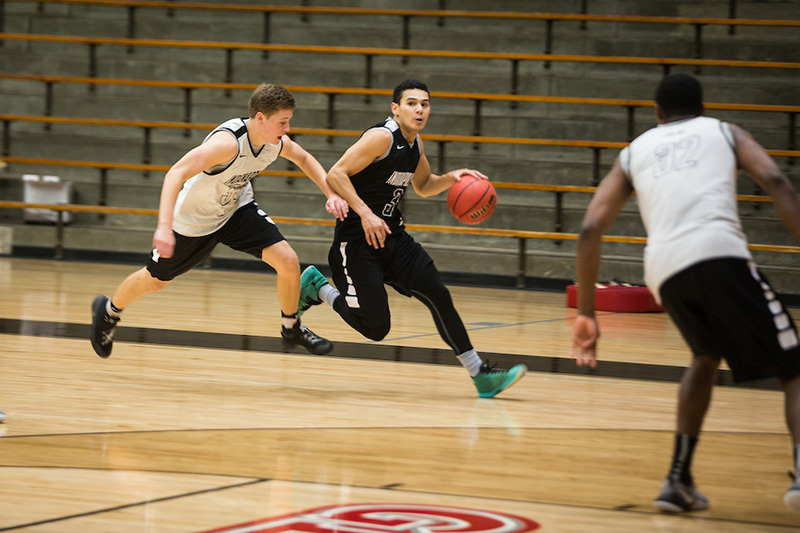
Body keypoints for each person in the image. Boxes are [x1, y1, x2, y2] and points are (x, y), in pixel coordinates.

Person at [571, 73, 800, 513]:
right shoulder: (723, 132)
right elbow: (775, 179)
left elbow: (590, 228)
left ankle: (677, 480)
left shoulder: (636, 150)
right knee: (794, 368)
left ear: (658, 113)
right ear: (702, 108)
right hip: (719, 253)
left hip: (665, 270)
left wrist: (587, 313)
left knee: (705, 356)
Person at [297, 79, 527, 398]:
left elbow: (424, 185)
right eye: (412, 103)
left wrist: (453, 178)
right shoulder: (381, 137)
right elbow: (336, 173)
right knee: (377, 329)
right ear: (396, 108)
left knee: (439, 295)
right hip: (358, 242)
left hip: (394, 239)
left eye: (425, 104)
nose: (419, 109)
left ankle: (480, 374)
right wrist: (365, 213)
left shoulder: (415, 144)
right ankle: (318, 287)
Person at [90, 83, 348, 358]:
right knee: (154, 281)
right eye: (282, 122)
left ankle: (291, 327)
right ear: (260, 118)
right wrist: (163, 228)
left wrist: (331, 194)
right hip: (194, 221)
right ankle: (108, 312)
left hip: (235, 210)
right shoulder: (227, 144)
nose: (287, 129)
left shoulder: (274, 143)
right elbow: (175, 173)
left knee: (288, 261)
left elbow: (304, 158)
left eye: (289, 121)